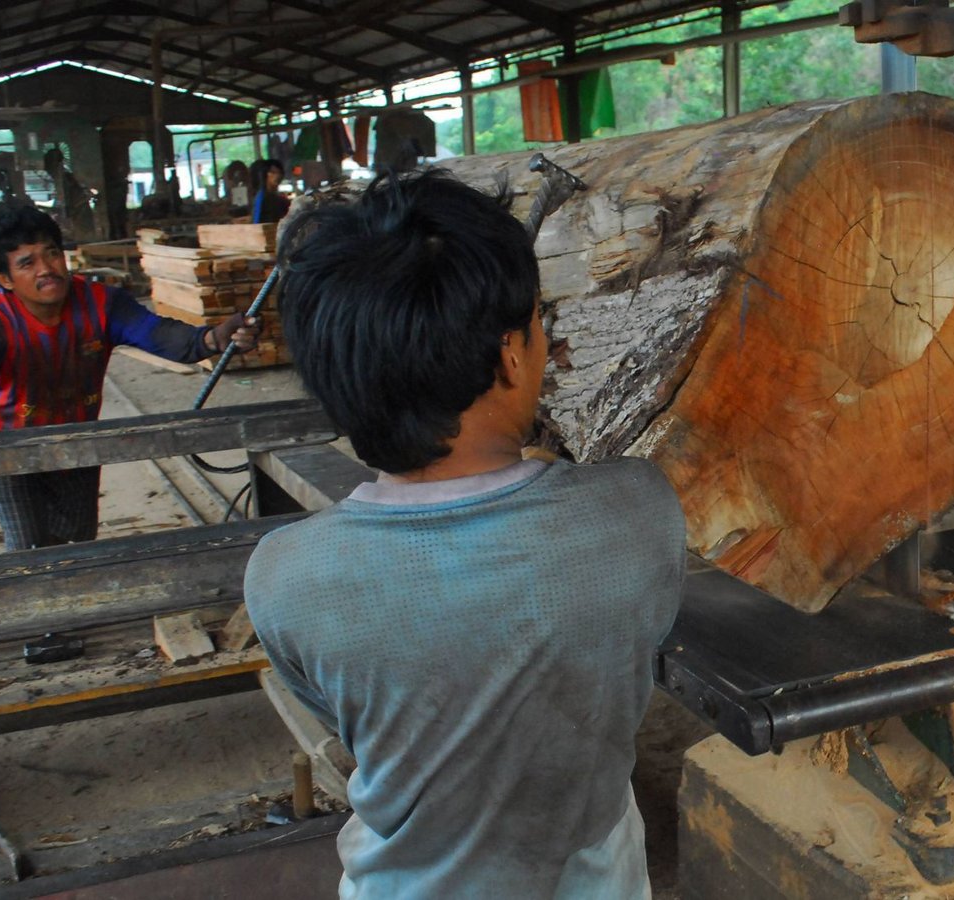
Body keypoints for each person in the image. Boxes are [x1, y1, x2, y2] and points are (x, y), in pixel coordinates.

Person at [243, 170, 686, 898]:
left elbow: (352, 715)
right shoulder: (638, 511)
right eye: (540, 322)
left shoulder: (285, 574)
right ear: (511, 354)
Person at [0, 204, 260, 550]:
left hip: (76, 440)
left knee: (77, 541)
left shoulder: (101, 303)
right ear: (5, 279)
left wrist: (214, 338)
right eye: (27, 263)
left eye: (52, 254)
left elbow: (158, 334)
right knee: (27, 548)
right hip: (7, 450)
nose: (46, 269)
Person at [250, 159, 291, 224]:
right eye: (273, 172)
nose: (277, 176)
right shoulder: (261, 197)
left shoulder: (281, 200)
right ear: (265, 174)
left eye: (279, 172)